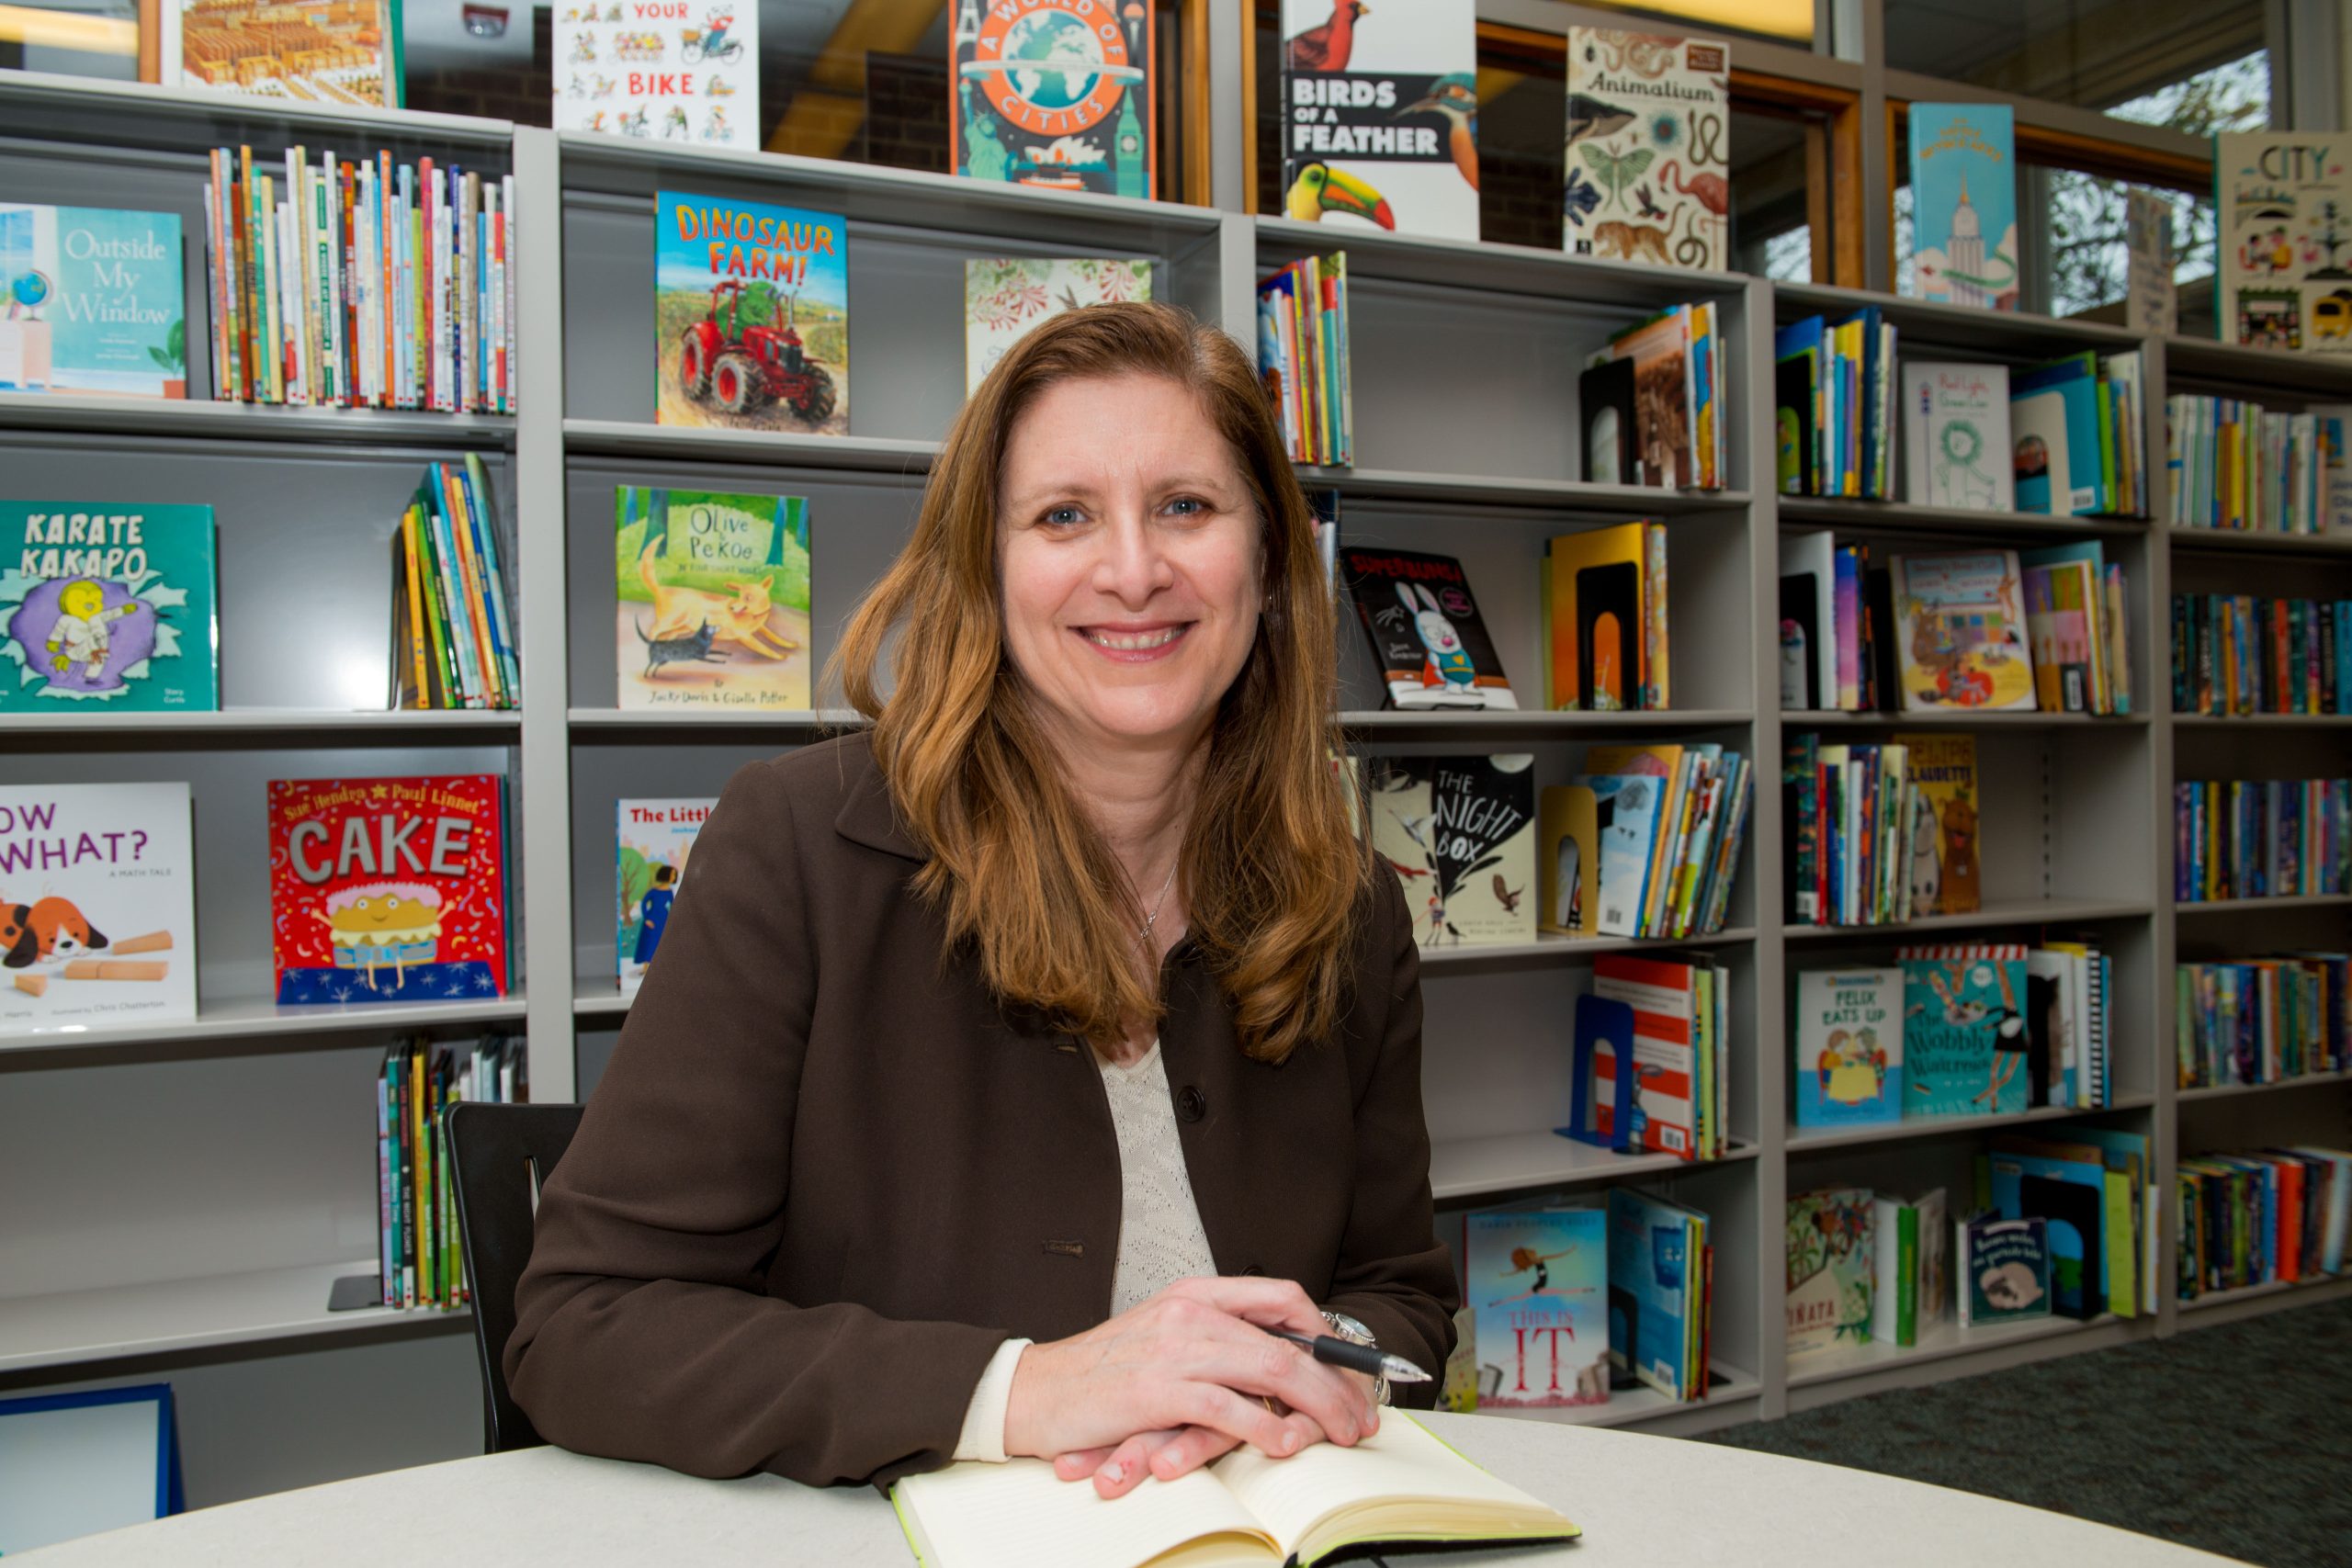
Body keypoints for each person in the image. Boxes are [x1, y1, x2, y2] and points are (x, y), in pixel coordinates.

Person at [504, 301, 1457, 1495]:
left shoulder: (1353, 906)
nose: (1133, 569)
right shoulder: (800, 847)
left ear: (1266, 565)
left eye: (1186, 507)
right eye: (1064, 515)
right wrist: (1032, 1392)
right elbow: (584, 1327)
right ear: (986, 568)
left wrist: (1308, 1379)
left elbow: (1400, 1296)